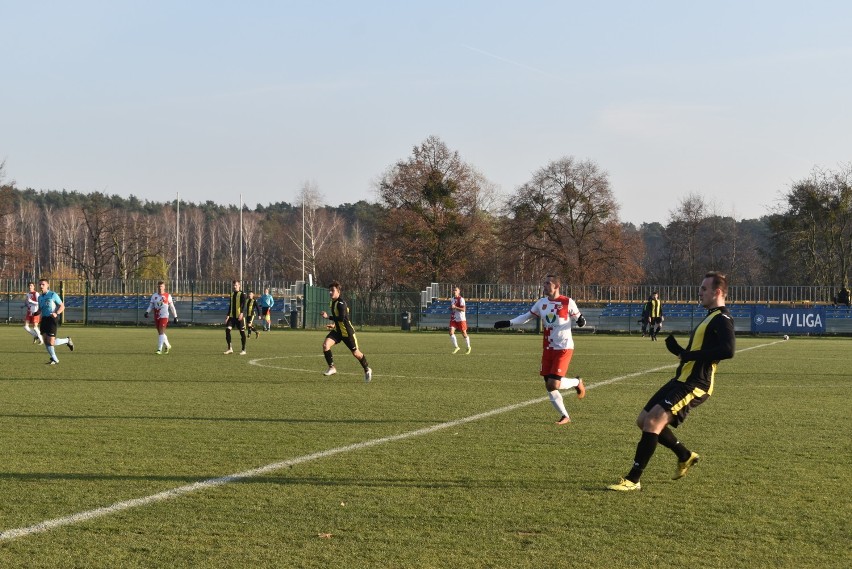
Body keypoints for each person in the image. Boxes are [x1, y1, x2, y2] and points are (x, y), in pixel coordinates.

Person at [608, 271, 736, 492]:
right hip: (682, 378)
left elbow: (727, 350)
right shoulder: (709, 316)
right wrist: (679, 351)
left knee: (653, 422)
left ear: (717, 292)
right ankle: (685, 455)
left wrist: (689, 356)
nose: (700, 292)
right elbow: (699, 351)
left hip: (696, 383)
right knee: (643, 420)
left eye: (704, 289)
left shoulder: (722, 318)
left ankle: (633, 479)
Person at [494, 274, 587, 425]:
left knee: (553, 384)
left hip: (564, 347)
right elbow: (526, 317)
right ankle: (565, 415)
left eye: (547, 284)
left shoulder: (567, 302)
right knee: (549, 385)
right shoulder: (541, 303)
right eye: (543, 284)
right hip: (548, 347)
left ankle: (576, 382)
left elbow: (580, 319)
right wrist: (508, 323)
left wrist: (581, 321)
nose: (544, 286)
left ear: (556, 286)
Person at [320, 280, 372, 382]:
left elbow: (342, 318)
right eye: (329, 290)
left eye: (333, 290)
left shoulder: (341, 303)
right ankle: (332, 367)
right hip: (337, 331)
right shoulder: (332, 302)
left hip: (347, 332)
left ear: (338, 291)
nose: (330, 292)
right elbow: (337, 318)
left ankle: (367, 369)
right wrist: (334, 325)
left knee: (356, 353)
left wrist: (328, 317)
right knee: (326, 345)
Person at [34, 278, 73, 365]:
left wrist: (57, 313)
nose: (41, 286)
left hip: (51, 319)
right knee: (46, 341)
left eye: (43, 284)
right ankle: (55, 359)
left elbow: (62, 306)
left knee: (51, 341)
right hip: (44, 319)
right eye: (40, 284)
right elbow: (40, 309)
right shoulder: (40, 297)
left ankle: (67, 340)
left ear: (47, 285)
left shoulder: (53, 295)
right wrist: (36, 313)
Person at [145, 280, 178, 354]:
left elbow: (172, 307)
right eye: (159, 286)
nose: (160, 288)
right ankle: (168, 345)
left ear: (164, 287)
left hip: (164, 315)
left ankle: (159, 349)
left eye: (161, 286)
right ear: (157, 287)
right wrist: (147, 312)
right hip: (156, 315)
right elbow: (151, 305)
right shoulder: (154, 296)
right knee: (160, 333)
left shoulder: (167, 296)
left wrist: (175, 316)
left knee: (161, 331)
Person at [224, 280, 247, 355]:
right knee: (227, 330)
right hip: (232, 316)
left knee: (242, 332)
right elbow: (231, 305)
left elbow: (243, 304)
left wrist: (241, 313)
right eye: (234, 285)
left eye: (236, 285)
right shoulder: (231, 294)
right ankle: (230, 348)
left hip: (239, 316)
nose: (234, 286)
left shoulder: (242, 294)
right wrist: (227, 315)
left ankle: (243, 349)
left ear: (239, 285)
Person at [449, 286, 471, 354]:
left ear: (459, 291)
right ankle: (456, 347)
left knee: (464, 333)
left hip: (461, 319)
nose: (454, 291)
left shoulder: (461, 299)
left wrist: (455, 307)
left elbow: (463, 309)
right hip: (454, 318)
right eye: (453, 290)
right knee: (451, 332)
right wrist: (451, 308)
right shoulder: (452, 299)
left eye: (456, 290)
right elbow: (453, 308)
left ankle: (468, 347)